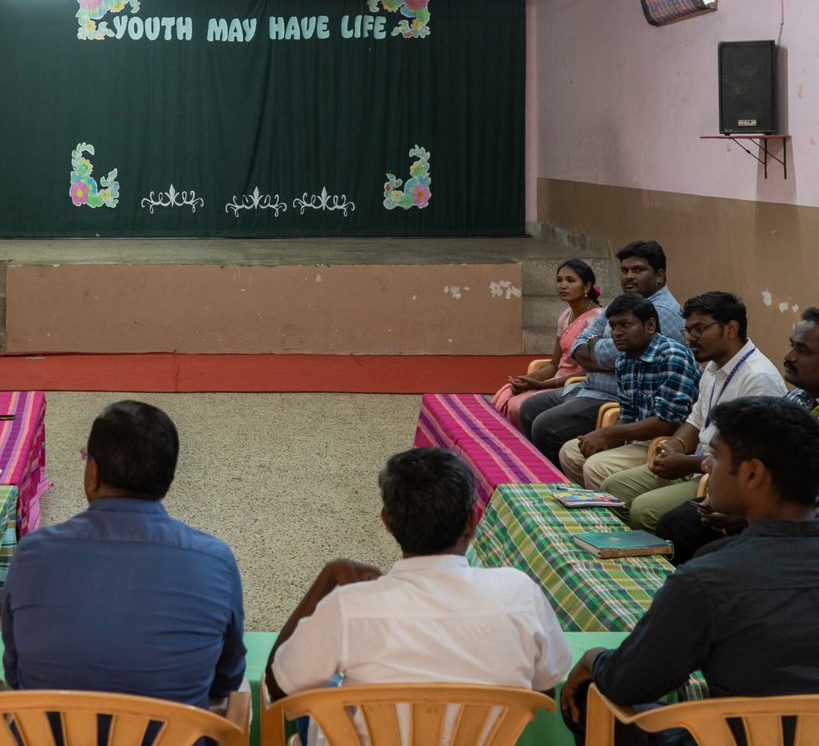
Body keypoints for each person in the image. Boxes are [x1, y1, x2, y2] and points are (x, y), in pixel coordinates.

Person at [557, 396, 819, 746]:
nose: (707, 468)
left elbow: (627, 682)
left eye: (715, 456)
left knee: (594, 694)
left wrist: (591, 659)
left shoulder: (708, 579)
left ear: (753, 473)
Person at [266, 448, 571, 718]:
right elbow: (544, 692)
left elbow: (279, 688)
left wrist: (329, 575)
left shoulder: (349, 607)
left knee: (323, 688)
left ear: (387, 522)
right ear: (471, 521)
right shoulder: (520, 592)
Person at [2, 401, 246, 709]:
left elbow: (15, 670)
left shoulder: (31, 554)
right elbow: (227, 678)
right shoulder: (215, 561)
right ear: (166, 477)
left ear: (93, 473)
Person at [657, 307, 819, 563]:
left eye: (802, 351)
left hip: (805, 537)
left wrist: (751, 513)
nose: (788, 357)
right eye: (792, 346)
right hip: (764, 512)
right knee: (678, 521)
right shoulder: (797, 398)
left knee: (689, 536)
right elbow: (752, 460)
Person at [599, 292, 784, 531]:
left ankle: (654, 561)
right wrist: (674, 446)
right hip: (696, 463)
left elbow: (748, 459)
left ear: (731, 328)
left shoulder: (758, 378)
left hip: (724, 477)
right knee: (612, 487)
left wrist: (686, 463)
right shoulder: (713, 367)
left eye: (699, 330)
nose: (691, 339)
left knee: (644, 510)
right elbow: (696, 419)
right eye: (688, 331)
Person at [520, 241, 683, 463]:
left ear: (660, 276)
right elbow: (580, 343)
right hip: (589, 386)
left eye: (638, 270)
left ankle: (561, 485)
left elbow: (610, 355)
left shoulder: (660, 311)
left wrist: (593, 347)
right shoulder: (622, 302)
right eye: (625, 271)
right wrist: (595, 348)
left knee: (546, 426)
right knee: (530, 407)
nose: (629, 277)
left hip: (615, 397)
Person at [557, 295, 699, 489]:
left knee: (596, 466)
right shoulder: (624, 360)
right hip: (638, 439)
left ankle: (611, 514)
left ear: (650, 326)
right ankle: (594, 504)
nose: (617, 333)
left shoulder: (671, 355)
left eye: (625, 325)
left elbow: (668, 423)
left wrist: (607, 434)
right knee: (571, 452)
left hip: (668, 444)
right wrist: (603, 439)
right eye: (614, 326)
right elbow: (627, 414)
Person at [491, 260, 603, 426]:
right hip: (556, 380)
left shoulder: (598, 319)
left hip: (577, 385)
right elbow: (554, 364)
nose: (562, 285)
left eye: (570, 280)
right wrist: (527, 379)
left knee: (519, 405)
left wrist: (541, 385)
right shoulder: (566, 315)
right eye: (559, 280)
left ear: (586, 287)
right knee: (506, 392)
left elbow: (589, 373)